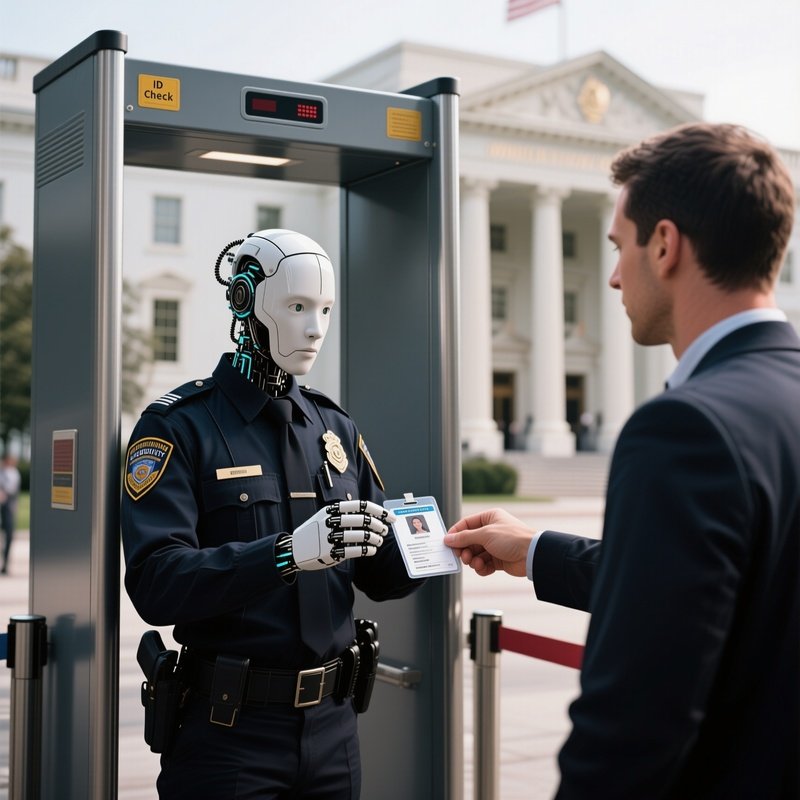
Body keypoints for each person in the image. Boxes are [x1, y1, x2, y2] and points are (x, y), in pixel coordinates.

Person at [444, 123, 799, 799]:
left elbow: (632, 725)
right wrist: (537, 549)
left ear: (664, 244)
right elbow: (731, 585)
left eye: (619, 246)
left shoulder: (683, 428)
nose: (612, 275)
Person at [121, 229, 420, 799]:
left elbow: (385, 580)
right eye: (297, 306)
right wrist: (287, 553)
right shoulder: (178, 425)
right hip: (229, 734)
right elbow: (157, 583)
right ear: (243, 300)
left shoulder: (334, 426)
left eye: (325, 309)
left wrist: (429, 547)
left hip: (335, 730)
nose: (315, 327)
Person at [0, 454, 21, 574]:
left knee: (9, 535)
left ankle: (6, 563)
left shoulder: (14, 473)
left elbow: (13, 490)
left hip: (8, 507)